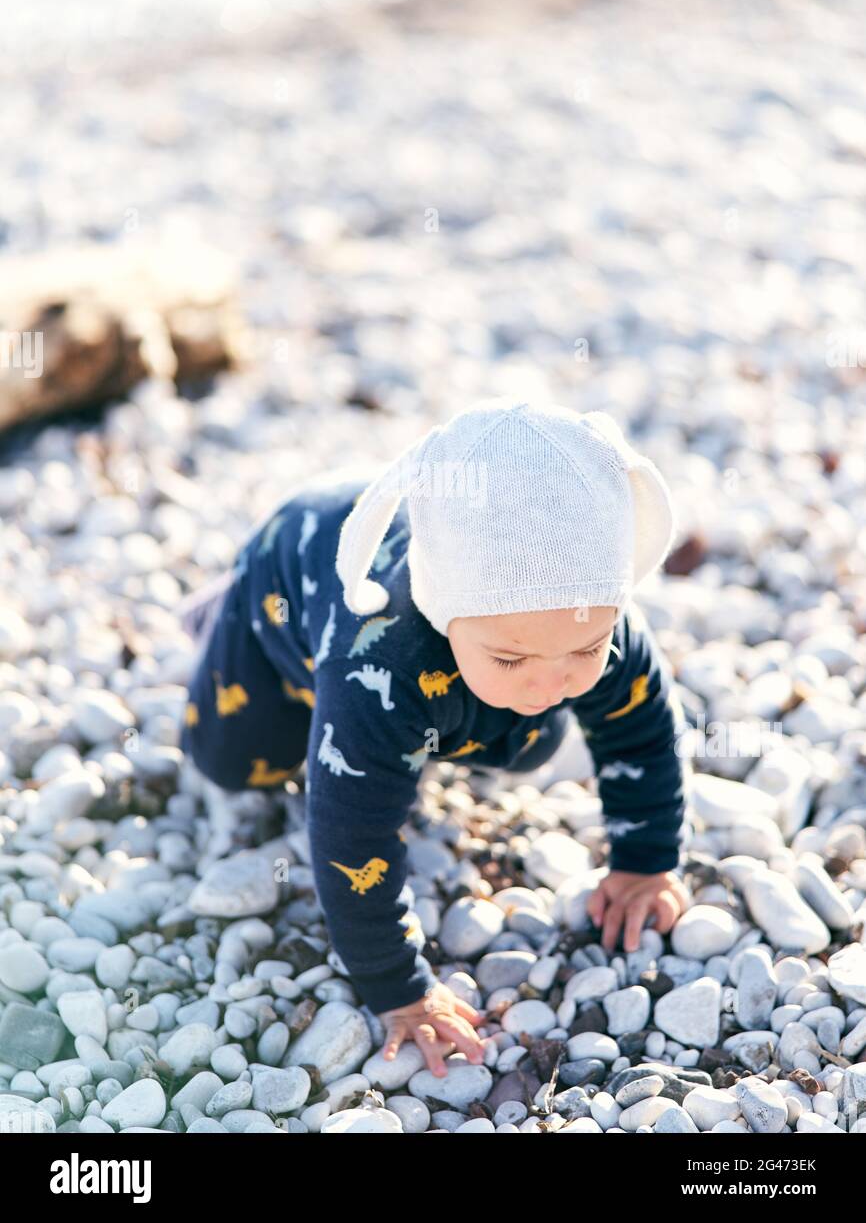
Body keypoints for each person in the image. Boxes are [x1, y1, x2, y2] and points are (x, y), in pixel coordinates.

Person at [178, 395, 692, 1078]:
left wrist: (646, 859)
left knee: (525, 740)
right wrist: (399, 988)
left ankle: (454, 703)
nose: (548, 685)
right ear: (445, 612)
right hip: (292, 567)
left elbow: (644, 737)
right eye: (511, 658)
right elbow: (349, 829)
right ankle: (222, 607)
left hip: (429, 634)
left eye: (585, 650)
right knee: (235, 759)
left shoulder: (590, 612)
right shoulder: (380, 658)